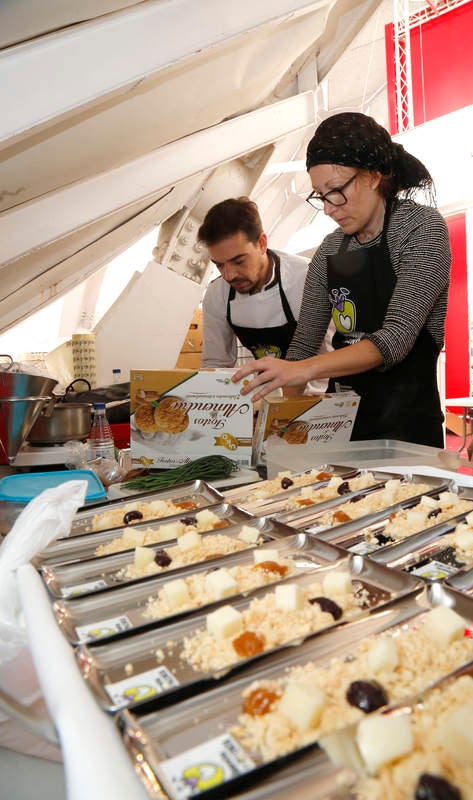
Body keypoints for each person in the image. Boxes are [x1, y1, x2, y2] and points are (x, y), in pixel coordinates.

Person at [233, 112, 451, 448]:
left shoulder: (421, 229)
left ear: (373, 175)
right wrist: (278, 416)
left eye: (336, 191)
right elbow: (302, 348)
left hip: (410, 433)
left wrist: (305, 370)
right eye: (320, 195)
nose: (329, 208)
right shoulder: (330, 251)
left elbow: (394, 340)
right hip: (343, 430)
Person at [198, 197, 332, 390]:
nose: (229, 275)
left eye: (239, 261)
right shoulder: (217, 294)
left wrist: (297, 407)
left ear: (262, 243)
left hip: (320, 396)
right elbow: (216, 365)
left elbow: (328, 357)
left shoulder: (306, 279)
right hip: (267, 395)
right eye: (219, 265)